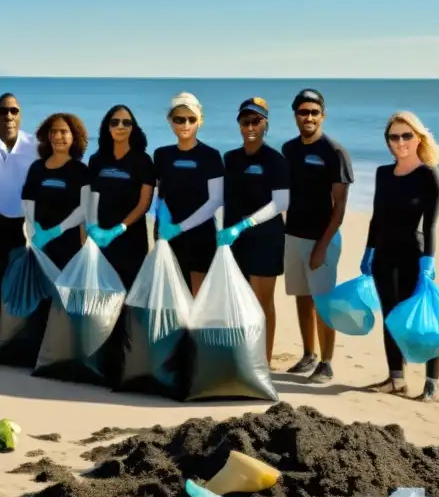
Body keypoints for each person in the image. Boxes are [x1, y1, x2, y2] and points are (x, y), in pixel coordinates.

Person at [361, 111, 439, 401]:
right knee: (391, 318)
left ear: (419, 137)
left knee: (423, 320)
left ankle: (431, 383)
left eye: (406, 135)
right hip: (384, 256)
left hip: (414, 255)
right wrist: (368, 251)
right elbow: (376, 217)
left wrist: (428, 262)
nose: (400, 142)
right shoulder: (383, 173)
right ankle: (396, 379)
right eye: (394, 136)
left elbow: (430, 224)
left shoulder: (428, 175)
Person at [281, 89, 354, 383]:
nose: (308, 117)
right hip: (293, 235)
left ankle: (326, 362)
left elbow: (340, 207)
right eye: (302, 112)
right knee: (302, 297)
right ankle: (308, 354)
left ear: (322, 115)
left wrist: (322, 246)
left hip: (322, 238)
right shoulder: (288, 149)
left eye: (313, 112)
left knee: (324, 301)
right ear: (295, 115)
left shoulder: (334, 152)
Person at [218, 97, 290, 364]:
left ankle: (264, 362)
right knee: (238, 300)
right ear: (238, 125)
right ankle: (243, 357)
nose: (250, 126)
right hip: (234, 241)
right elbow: (219, 197)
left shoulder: (275, 160)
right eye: (245, 121)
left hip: (266, 238)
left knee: (262, 302)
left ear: (265, 124)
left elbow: (281, 203)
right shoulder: (230, 158)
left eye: (256, 121)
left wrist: (245, 224)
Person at [153, 92, 224, 295]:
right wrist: (161, 219)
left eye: (191, 119)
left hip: (200, 235)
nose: (185, 124)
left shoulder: (210, 156)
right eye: (179, 119)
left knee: (198, 297)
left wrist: (181, 227)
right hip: (167, 233)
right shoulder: (162, 154)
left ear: (200, 121)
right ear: (170, 121)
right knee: (171, 296)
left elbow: (216, 200)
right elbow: (159, 193)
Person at [86, 105, 156, 289]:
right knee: (103, 297)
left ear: (133, 128)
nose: (120, 126)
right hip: (101, 239)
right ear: (107, 127)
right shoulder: (97, 160)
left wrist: (120, 228)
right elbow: (91, 197)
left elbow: (145, 203)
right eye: (115, 122)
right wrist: (92, 228)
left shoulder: (143, 160)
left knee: (128, 296)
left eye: (126, 122)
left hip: (131, 240)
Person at [22, 113, 91, 269]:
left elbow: (84, 208)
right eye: (53, 131)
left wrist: (57, 230)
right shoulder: (36, 168)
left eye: (64, 131)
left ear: (74, 136)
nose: (57, 136)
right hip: (38, 243)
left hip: (68, 246)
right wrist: (34, 230)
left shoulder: (81, 171)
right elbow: (27, 201)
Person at [0, 93, 37, 271]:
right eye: (3, 111)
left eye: (14, 111)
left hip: (25, 224)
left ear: (20, 115)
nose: (9, 116)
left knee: (22, 281)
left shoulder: (35, 146)